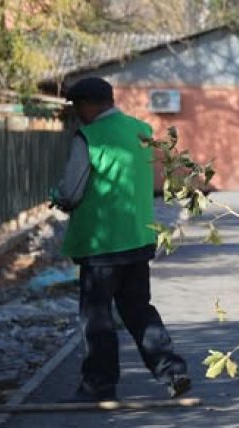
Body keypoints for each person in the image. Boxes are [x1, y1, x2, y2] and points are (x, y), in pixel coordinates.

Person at [51, 77, 190, 401]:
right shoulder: (140, 130)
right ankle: (172, 370)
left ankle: (99, 384)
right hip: (139, 237)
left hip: (102, 245)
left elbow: (71, 192)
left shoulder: (89, 137)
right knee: (139, 310)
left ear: (87, 105)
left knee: (97, 318)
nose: (76, 115)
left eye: (76, 108)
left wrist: (57, 196)